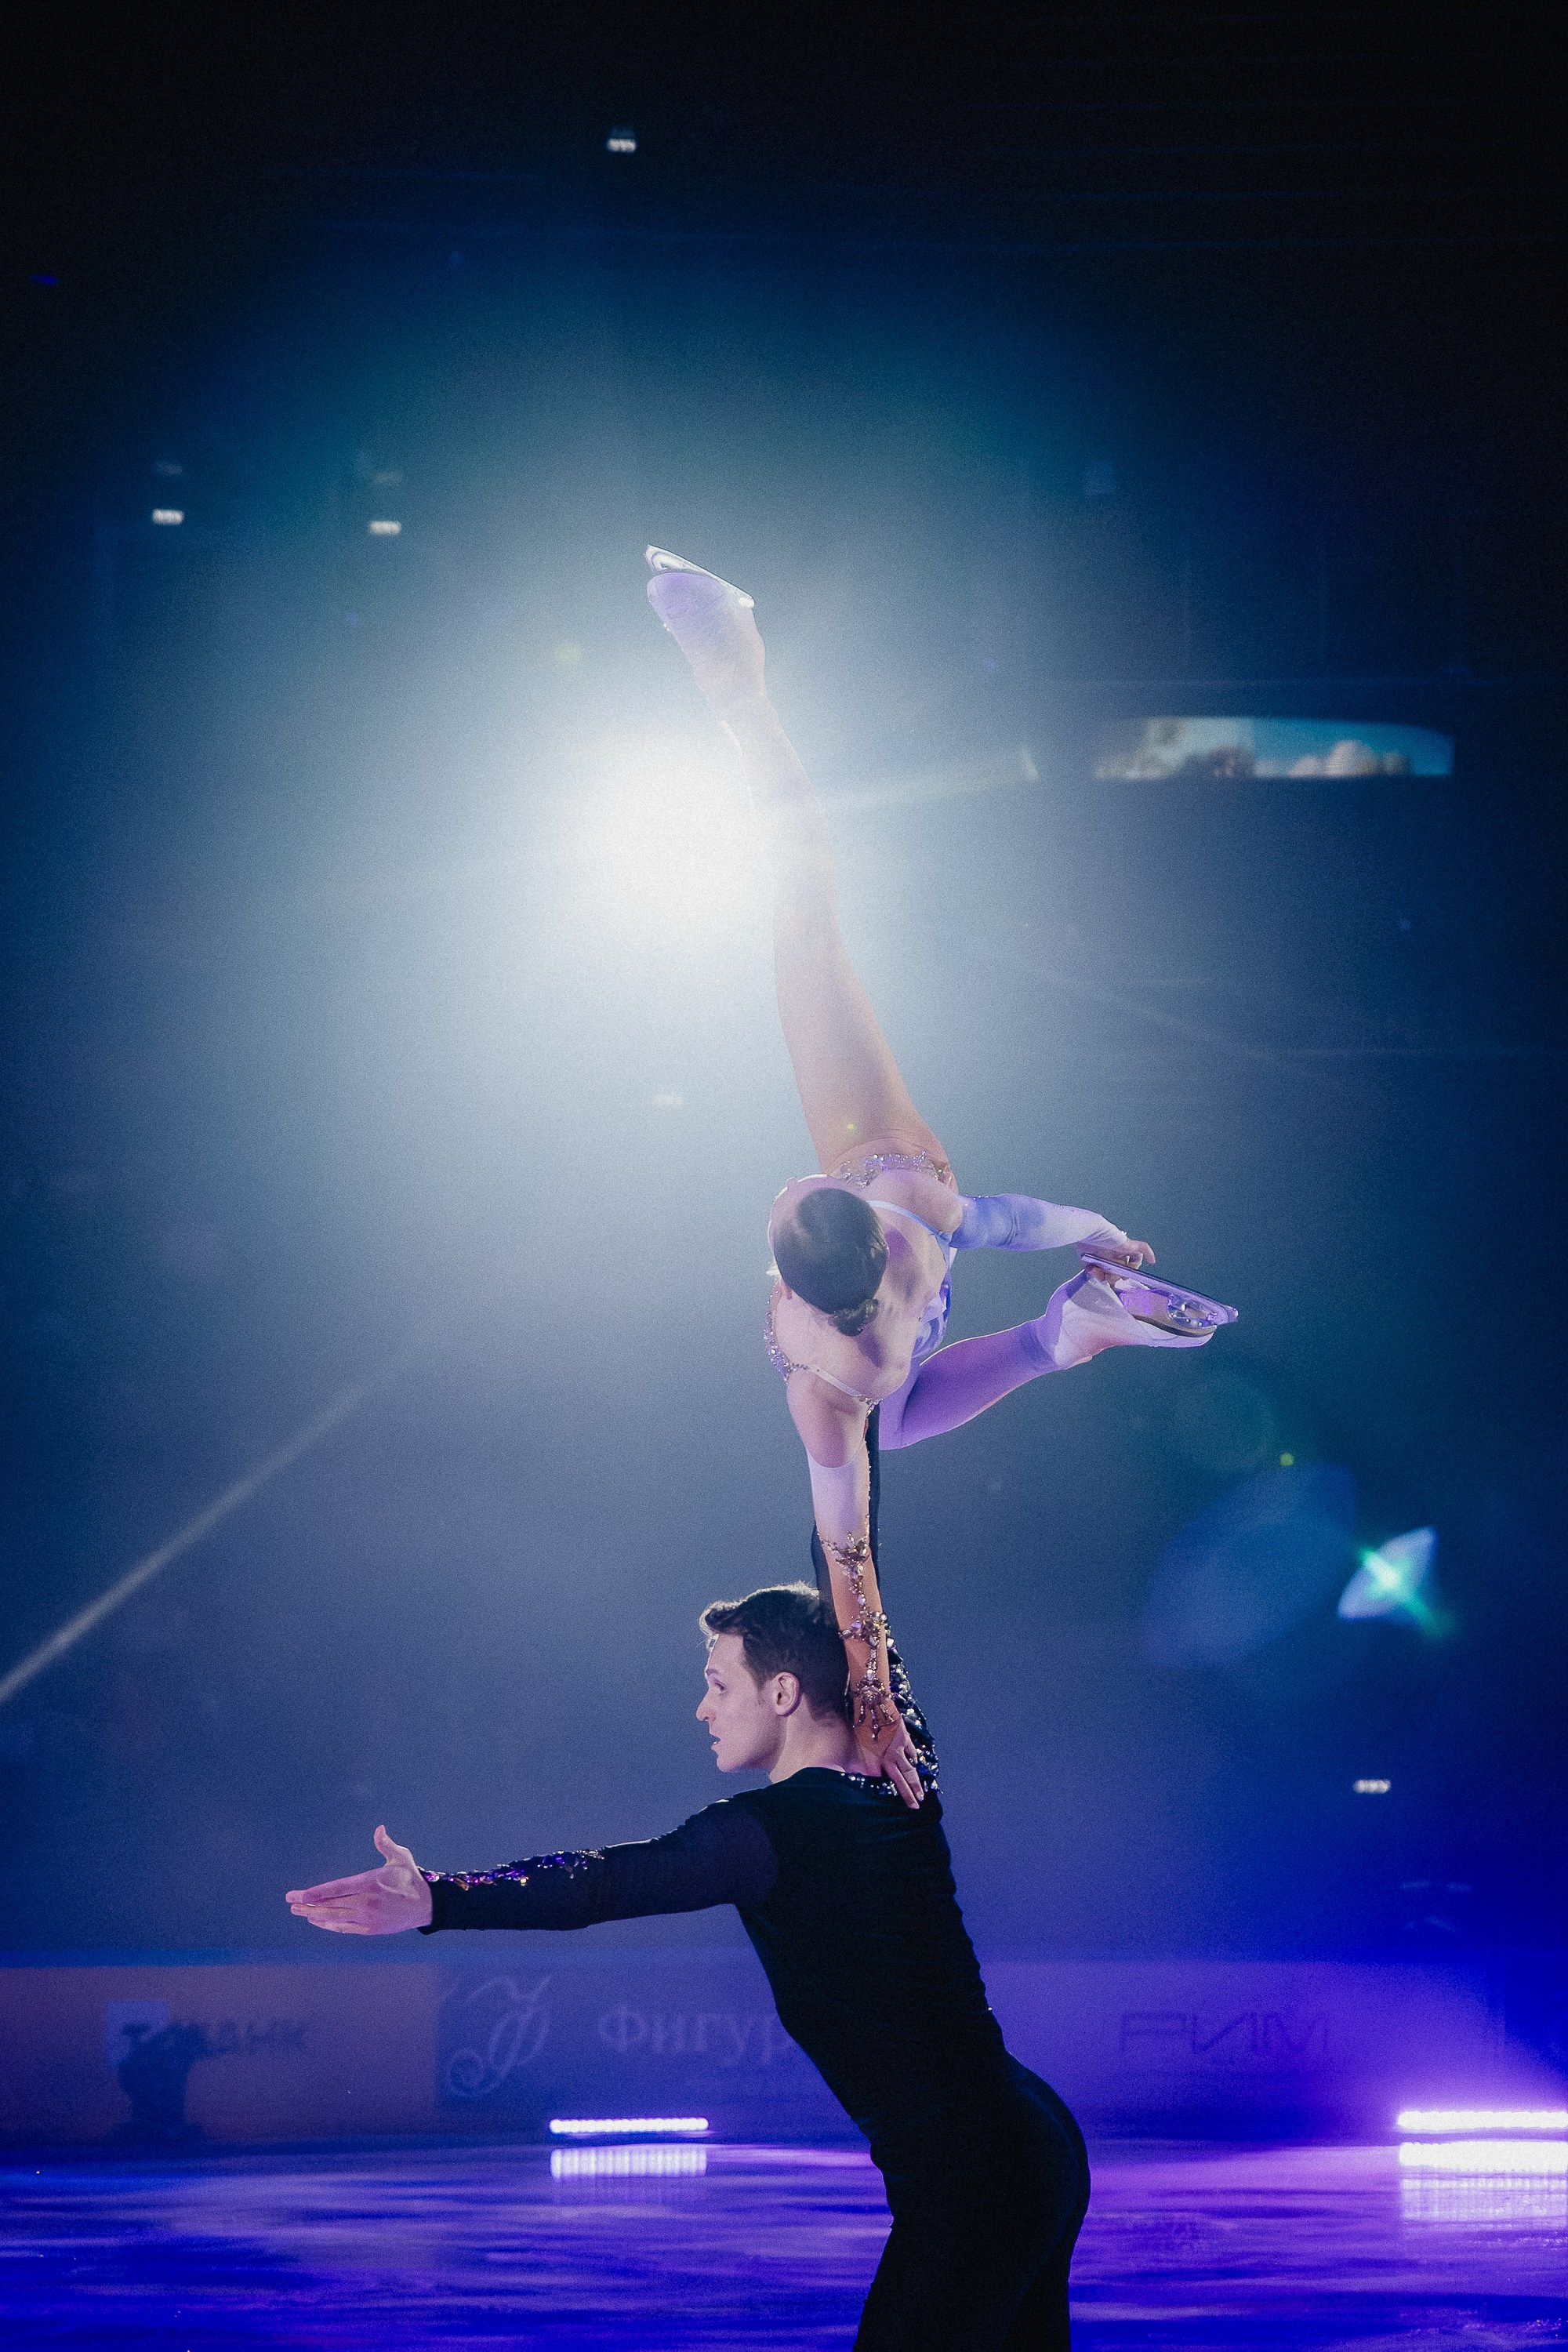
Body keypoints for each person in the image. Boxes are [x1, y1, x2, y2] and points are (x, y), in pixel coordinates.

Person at [644, 550, 1235, 1795]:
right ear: (824, 1229)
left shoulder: (853, 1348)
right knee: (803, 906)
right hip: (906, 1276)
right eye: (789, 1204)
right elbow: (844, 1566)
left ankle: (1066, 1337)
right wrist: (875, 1715)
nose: (775, 1195)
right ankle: (738, 676)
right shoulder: (891, 1209)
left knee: (902, 1426)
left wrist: (1099, 1230)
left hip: (916, 1354)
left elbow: (1013, 1223)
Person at [287, 1577, 1091, 2350]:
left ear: (780, 1693)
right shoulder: (903, 1770)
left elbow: (600, 1884)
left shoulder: (765, 1830)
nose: (701, 1708)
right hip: (1033, 2140)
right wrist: (840, 1451)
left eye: (717, 1684)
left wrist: (438, 1897)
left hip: (974, 2177)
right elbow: (853, 1583)